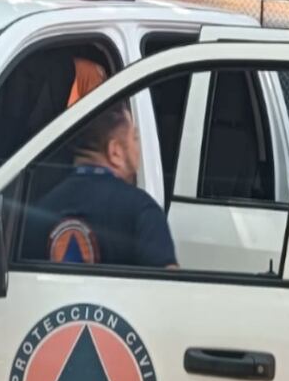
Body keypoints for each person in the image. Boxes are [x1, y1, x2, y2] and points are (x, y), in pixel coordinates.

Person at [22, 100, 178, 268]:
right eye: (134, 138)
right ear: (115, 151)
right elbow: (170, 287)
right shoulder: (142, 210)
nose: (138, 148)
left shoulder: (39, 212)